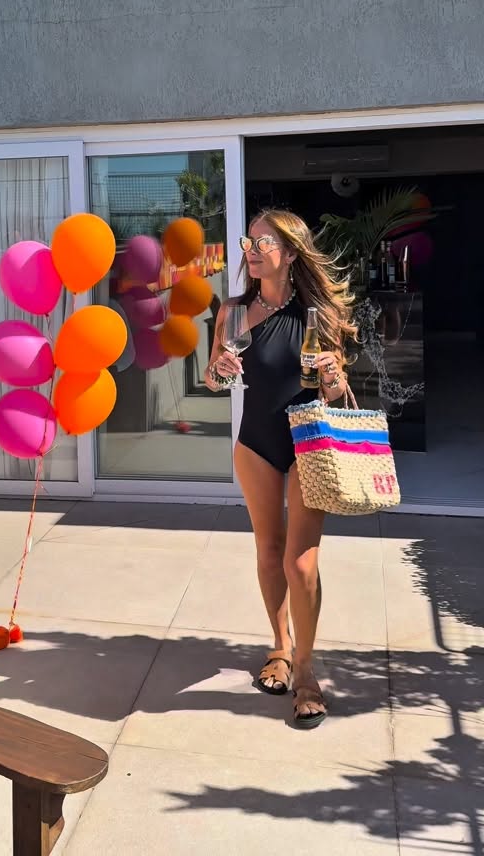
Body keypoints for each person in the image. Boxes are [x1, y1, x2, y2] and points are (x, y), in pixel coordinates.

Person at [204, 208, 356, 728]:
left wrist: (332, 375)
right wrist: (219, 370)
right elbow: (214, 380)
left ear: (290, 254)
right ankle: (280, 648)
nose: (252, 251)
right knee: (269, 553)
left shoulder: (318, 314)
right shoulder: (232, 312)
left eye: (263, 243)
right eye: (249, 243)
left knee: (301, 564)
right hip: (256, 444)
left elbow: (337, 391)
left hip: (308, 444)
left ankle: (308, 672)